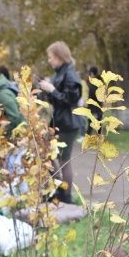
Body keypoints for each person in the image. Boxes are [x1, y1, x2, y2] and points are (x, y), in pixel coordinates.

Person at [37, 41, 83, 203]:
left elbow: (70, 100)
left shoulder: (70, 74)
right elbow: (58, 99)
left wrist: (52, 90)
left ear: (58, 56)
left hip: (68, 124)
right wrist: (48, 90)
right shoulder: (61, 72)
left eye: (50, 57)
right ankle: (58, 191)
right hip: (60, 122)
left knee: (64, 160)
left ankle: (66, 197)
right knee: (50, 156)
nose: (49, 60)